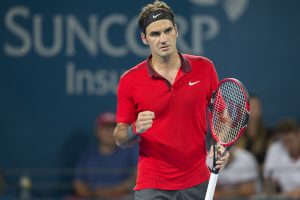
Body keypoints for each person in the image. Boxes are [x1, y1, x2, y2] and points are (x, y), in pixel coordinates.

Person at [113, 1, 230, 199]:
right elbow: (120, 137)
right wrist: (135, 129)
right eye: (155, 34)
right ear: (144, 39)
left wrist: (220, 146)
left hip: (198, 180)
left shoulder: (205, 68)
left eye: (168, 30)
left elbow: (223, 117)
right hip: (152, 183)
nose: (163, 39)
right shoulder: (129, 80)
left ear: (176, 30)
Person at [73, 112, 138, 199]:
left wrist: (111, 191)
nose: (109, 132)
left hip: (120, 197)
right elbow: (78, 183)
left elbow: (136, 178)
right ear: (97, 131)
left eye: (113, 128)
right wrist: (93, 196)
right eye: (105, 128)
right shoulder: (87, 155)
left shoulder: (130, 151)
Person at [263, 118, 300, 199]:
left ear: (298, 135)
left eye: (291, 140)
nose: (288, 145)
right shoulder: (275, 149)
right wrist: (270, 195)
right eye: (284, 141)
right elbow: (269, 182)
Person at [237, 94, 270, 165]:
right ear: (243, 111)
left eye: (256, 107)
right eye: (250, 107)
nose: (252, 111)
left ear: (261, 110)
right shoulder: (235, 136)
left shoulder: (269, 136)